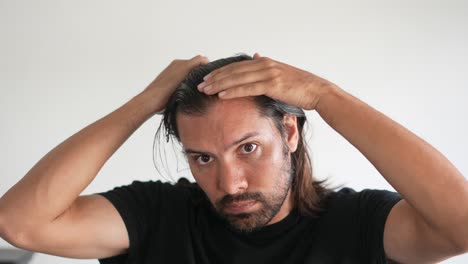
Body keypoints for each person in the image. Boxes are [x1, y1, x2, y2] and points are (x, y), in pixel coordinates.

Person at [0, 53, 467, 263]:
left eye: (248, 148)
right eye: (202, 158)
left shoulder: (357, 224)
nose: (230, 182)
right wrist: (145, 103)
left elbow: (460, 224)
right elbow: (21, 224)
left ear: (289, 132)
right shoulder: (158, 217)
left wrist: (325, 96)